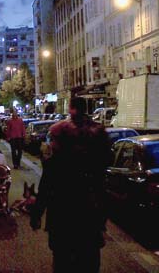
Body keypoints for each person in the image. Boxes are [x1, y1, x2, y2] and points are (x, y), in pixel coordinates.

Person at [30, 96, 112, 273]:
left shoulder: (58, 132)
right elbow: (103, 174)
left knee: (62, 261)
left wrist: (37, 212)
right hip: (90, 210)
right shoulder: (99, 132)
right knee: (89, 261)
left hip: (62, 210)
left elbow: (48, 179)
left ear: (70, 108)